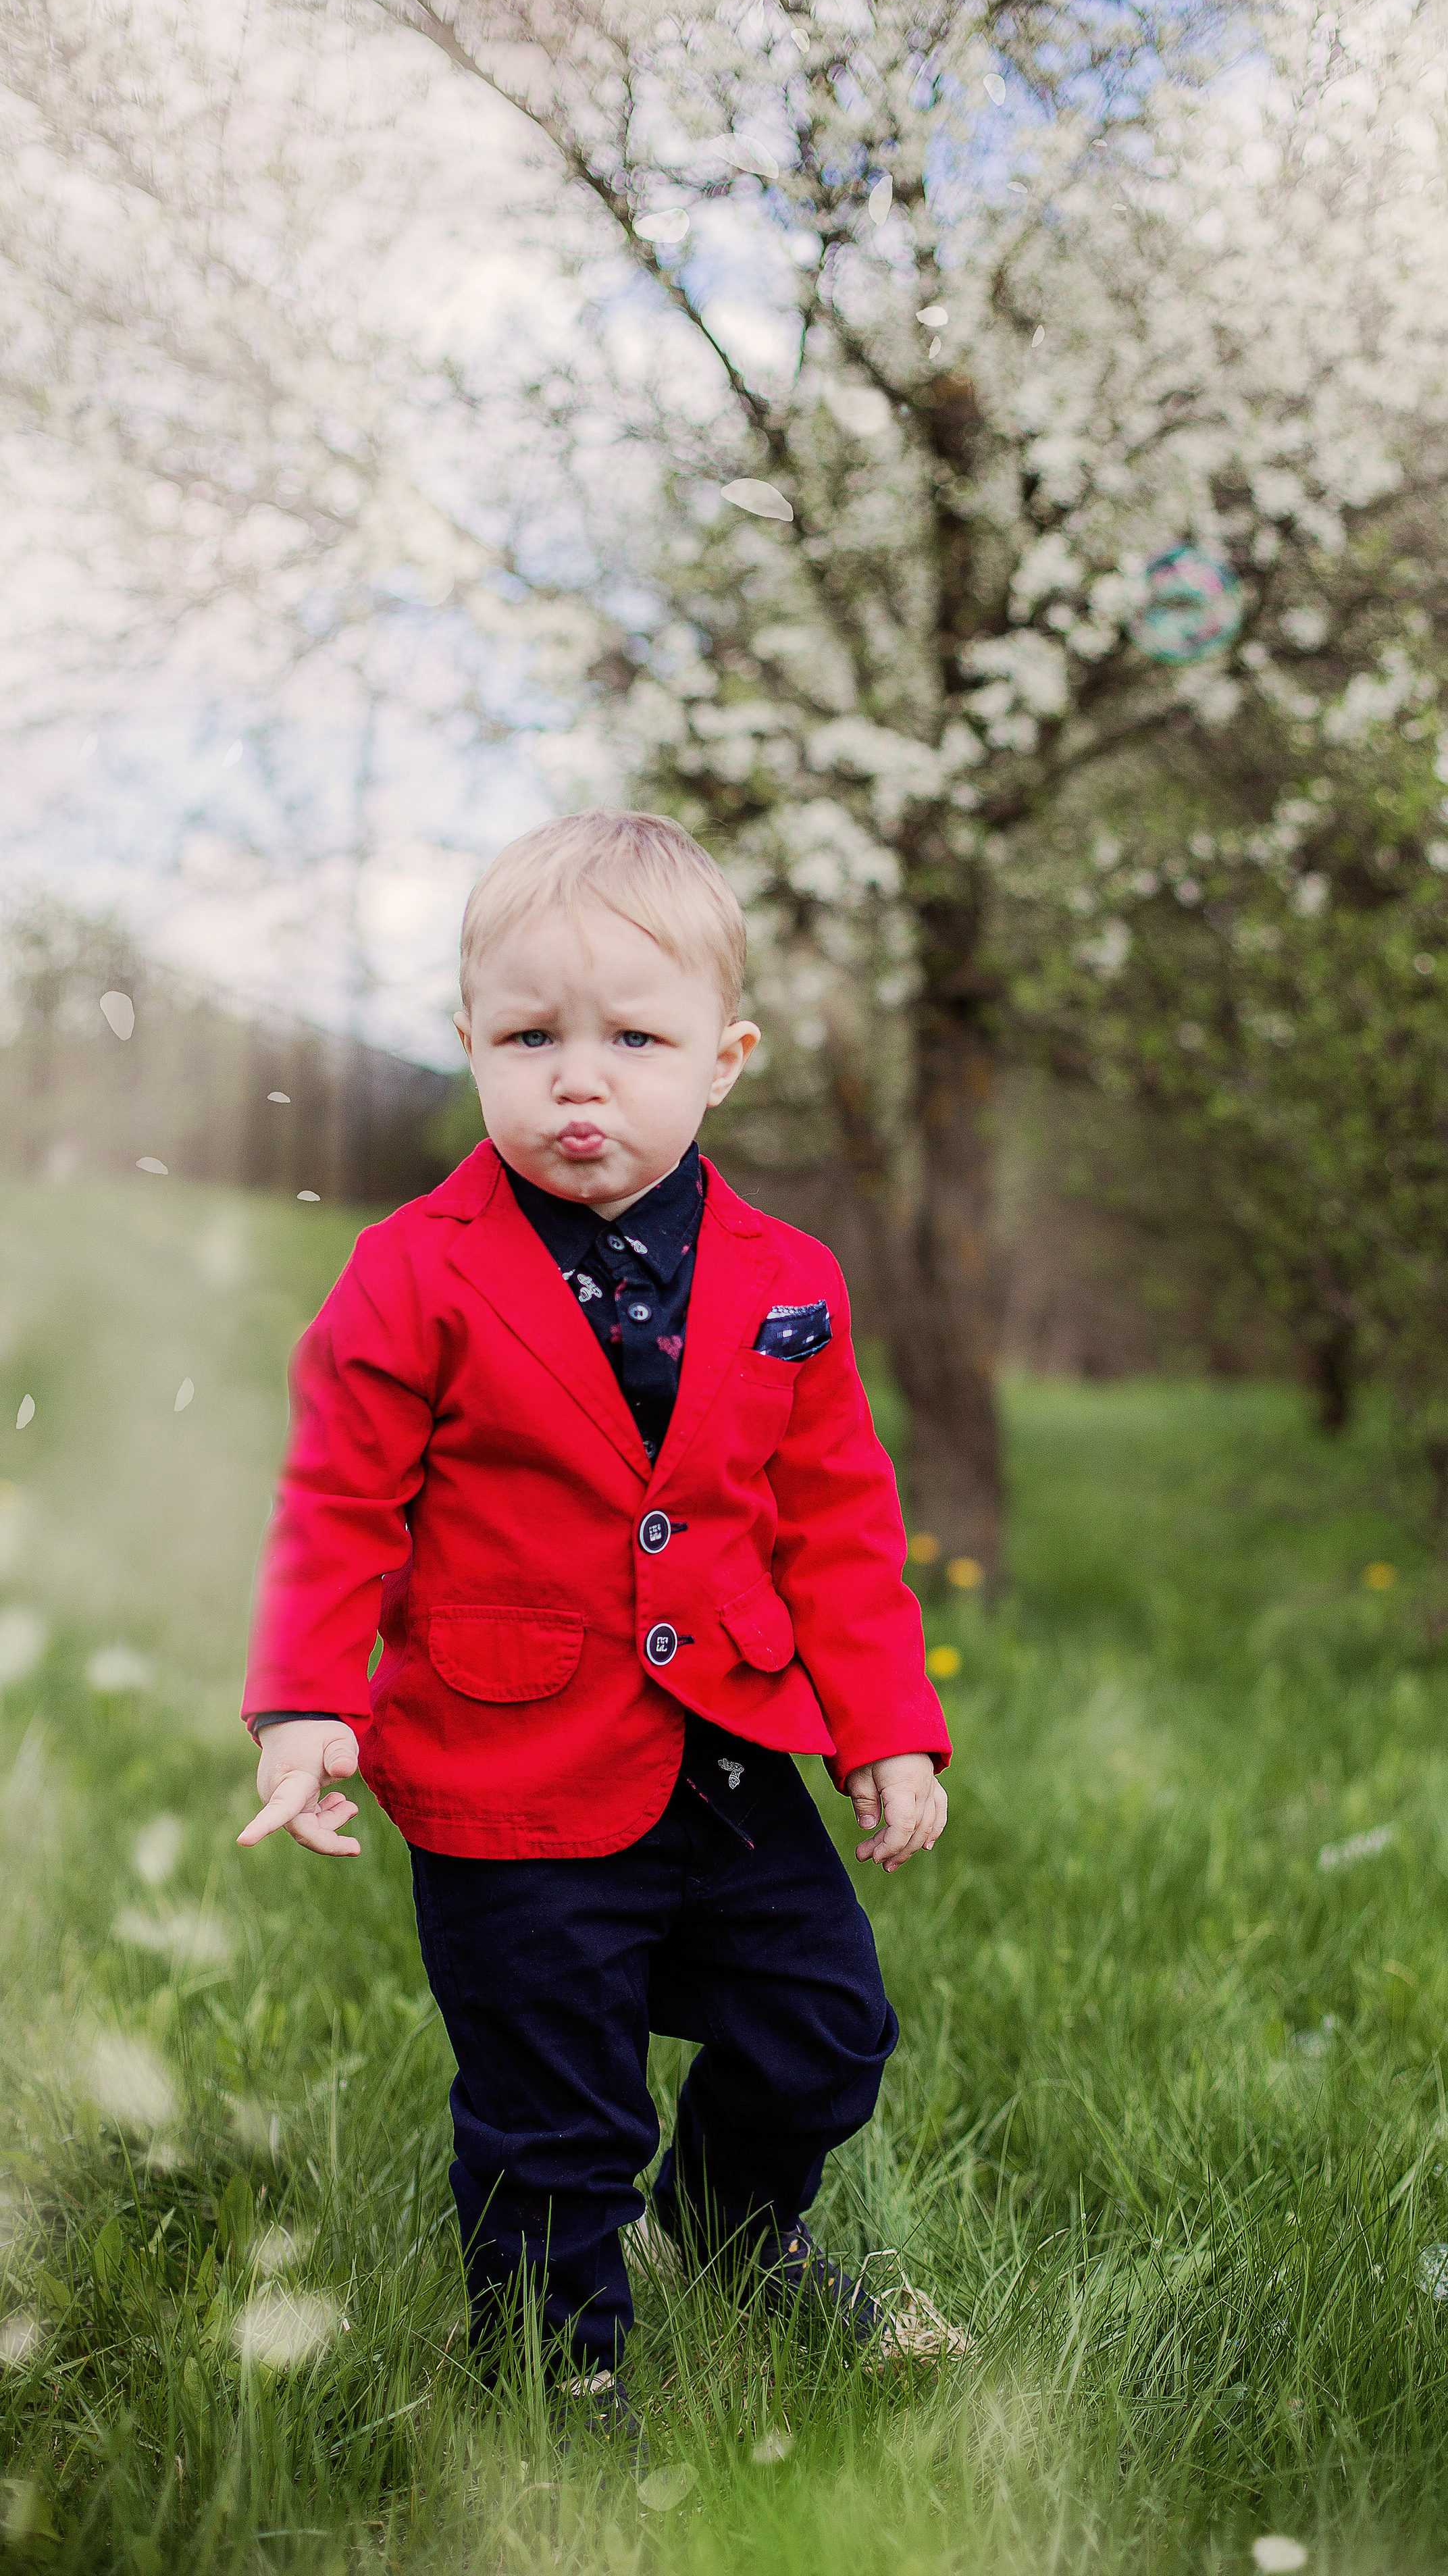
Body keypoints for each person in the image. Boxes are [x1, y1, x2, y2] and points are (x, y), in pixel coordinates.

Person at [234, 810, 952, 2459]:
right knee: (557, 2115)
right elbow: (338, 1504)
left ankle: (730, 2225)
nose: (580, 1079)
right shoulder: (411, 1275)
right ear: (469, 1044)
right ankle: (561, 2377)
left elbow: (838, 1522)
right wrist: (304, 1707)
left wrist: (885, 1726)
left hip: (724, 1760)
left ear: (722, 1060)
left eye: (632, 1039)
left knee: (825, 2025)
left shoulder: (788, 1278)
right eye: (530, 1037)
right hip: (507, 1772)